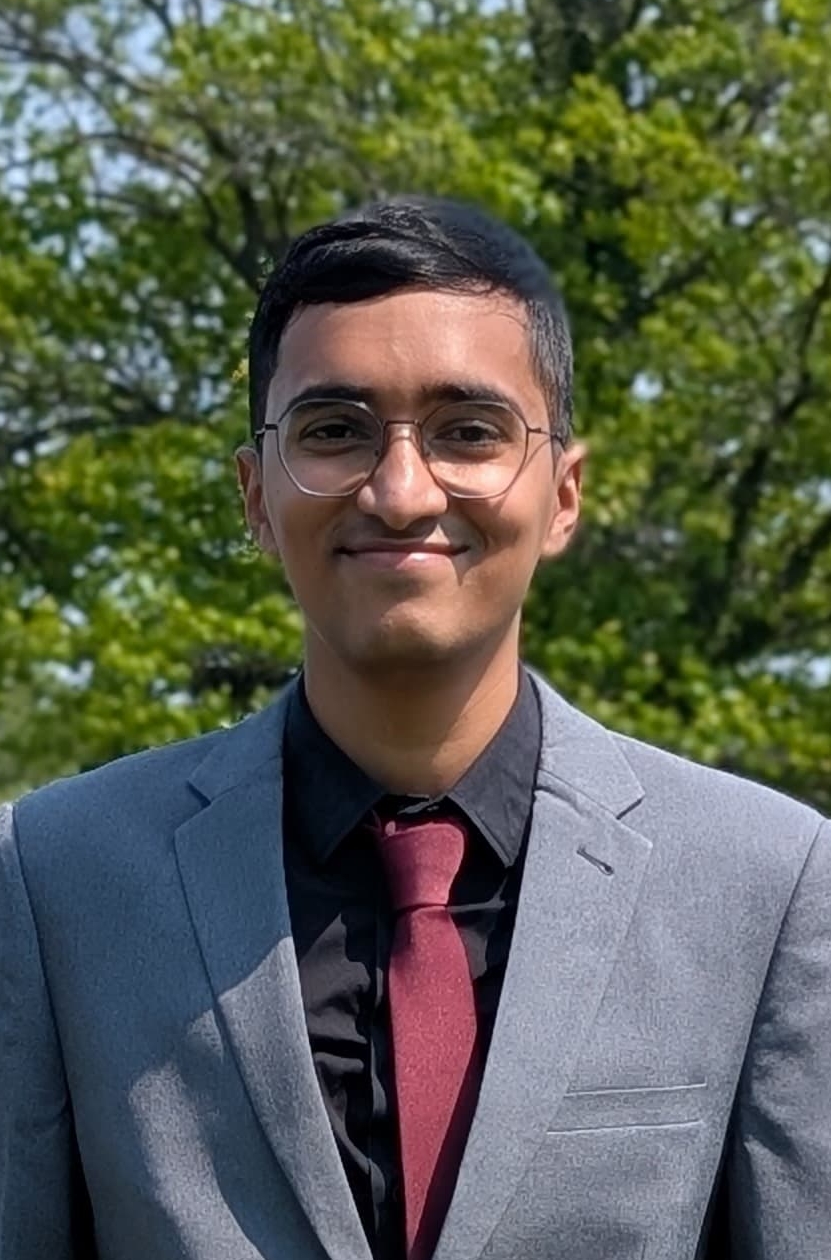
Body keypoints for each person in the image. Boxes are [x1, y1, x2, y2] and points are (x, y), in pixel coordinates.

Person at [1, 196, 829, 1260]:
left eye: (468, 432)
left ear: (564, 494)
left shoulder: (764, 884)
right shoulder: (58, 879)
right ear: (254, 496)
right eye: (334, 432)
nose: (399, 492)